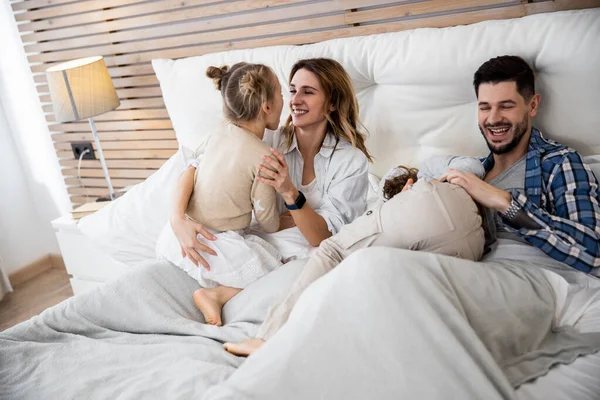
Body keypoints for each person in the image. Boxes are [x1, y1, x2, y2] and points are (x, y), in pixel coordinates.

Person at [222, 55, 600, 395]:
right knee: (367, 278)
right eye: (484, 107)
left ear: (532, 105)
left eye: (506, 106)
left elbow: (591, 247)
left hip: (531, 275)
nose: (493, 118)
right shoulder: (474, 167)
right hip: (468, 265)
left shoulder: (559, 163)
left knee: (359, 264)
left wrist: (500, 200)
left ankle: (268, 353)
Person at [169, 58, 373, 326]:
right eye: (291, 90)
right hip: (248, 236)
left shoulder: (350, 162)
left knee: (315, 262)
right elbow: (195, 166)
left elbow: (322, 236)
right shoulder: (269, 136)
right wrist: (178, 220)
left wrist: (289, 191)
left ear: (332, 103)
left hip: (301, 244)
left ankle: (221, 295)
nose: (295, 100)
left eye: (308, 92)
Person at [223, 155, 488, 355]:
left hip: (436, 203)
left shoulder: (426, 179)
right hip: (476, 243)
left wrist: (440, 180)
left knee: (332, 251)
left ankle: (267, 338)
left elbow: (472, 166)